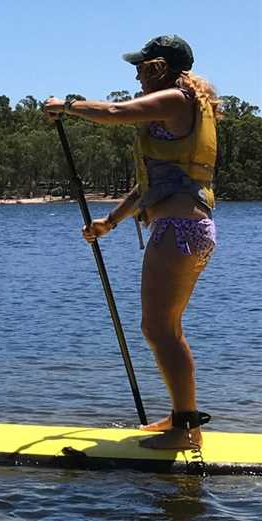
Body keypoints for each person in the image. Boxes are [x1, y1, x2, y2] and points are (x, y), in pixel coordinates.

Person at [43, 35, 219, 450]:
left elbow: (114, 112)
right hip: (184, 226)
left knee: (159, 330)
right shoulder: (180, 107)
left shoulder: (176, 99)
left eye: (141, 66)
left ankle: (186, 430)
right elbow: (150, 186)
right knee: (165, 329)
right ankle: (182, 417)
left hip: (180, 229)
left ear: (159, 67)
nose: (136, 74)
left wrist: (66, 106)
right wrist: (110, 221)